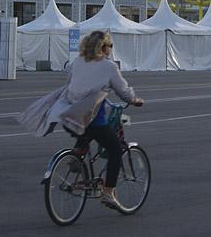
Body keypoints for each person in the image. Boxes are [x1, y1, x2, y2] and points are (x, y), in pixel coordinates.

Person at [17, 30, 144, 211]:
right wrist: (134, 100)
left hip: (70, 116)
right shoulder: (109, 66)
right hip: (93, 120)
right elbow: (123, 91)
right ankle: (109, 192)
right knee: (115, 149)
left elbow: (72, 84)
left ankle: (77, 156)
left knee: (85, 133)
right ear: (104, 47)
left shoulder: (77, 62)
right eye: (109, 46)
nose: (110, 50)